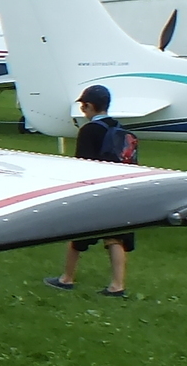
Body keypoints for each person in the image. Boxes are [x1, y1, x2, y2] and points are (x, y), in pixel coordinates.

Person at [44, 84, 132, 298]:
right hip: (121, 188)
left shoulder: (89, 131)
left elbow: (82, 164)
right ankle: (117, 285)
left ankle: (67, 278)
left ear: (90, 106)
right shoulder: (121, 128)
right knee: (115, 238)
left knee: (77, 235)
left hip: (96, 189)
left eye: (84, 106)